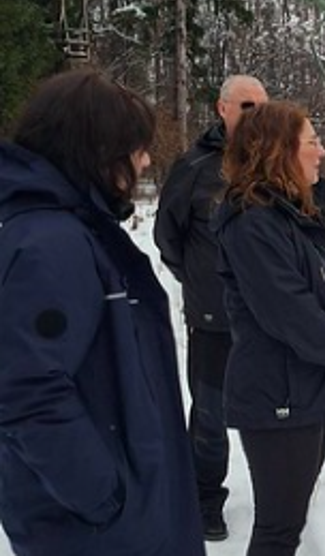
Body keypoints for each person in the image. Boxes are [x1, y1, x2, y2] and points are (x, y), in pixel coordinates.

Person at [0, 70, 204, 555]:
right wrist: (105, 498)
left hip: (122, 514)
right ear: (97, 153)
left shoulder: (75, 231)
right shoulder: (51, 244)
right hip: (100, 529)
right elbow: (26, 390)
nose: (147, 160)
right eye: (137, 149)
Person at [212, 101, 325, 556]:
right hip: (277, 394)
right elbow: (290, 311)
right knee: (278, 529)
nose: (322, 151)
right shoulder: (251, 223)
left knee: (292, 519)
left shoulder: (293, 214)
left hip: (311, 384)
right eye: (312, 142)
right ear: (279, 151)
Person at [153, 74, 268, 541]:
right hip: (214, 318)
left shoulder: (273, 161)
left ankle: (279, 492)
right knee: (210, 416)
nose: (255, 115)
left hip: (269, 318)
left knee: (274, 410)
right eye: (246, 106)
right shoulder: (195, 167)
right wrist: (198, 281)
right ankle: (204, 498)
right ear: (222, 109)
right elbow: (168, 236)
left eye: (262, 106)